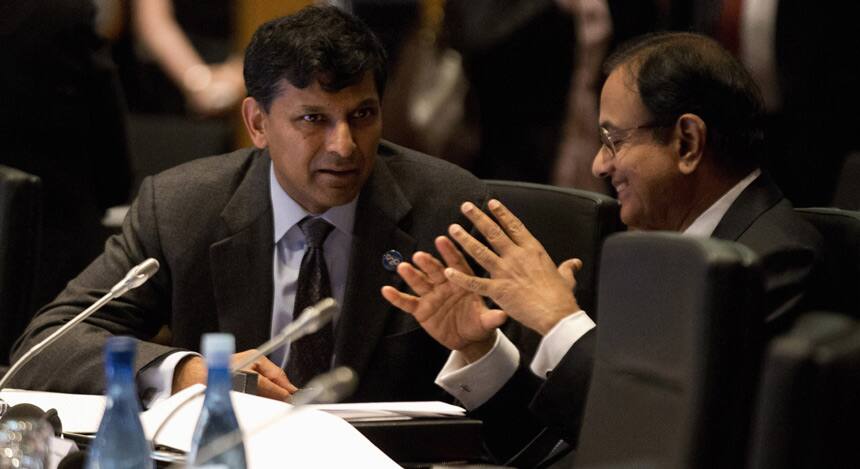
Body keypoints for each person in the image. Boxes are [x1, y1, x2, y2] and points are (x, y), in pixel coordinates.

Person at [9, 5, 488, 406]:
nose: (344, 146)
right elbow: (46, 346)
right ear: (257, 123)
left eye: (362, 115)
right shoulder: (181, 208)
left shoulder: (447, 210)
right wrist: (188, 372)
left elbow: (522, 409)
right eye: (313, 119)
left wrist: (480, 351)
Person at [382, 31, 822, 462]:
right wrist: (480, 350)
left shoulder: (777, 262)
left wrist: (560, 320)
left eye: (614, 140)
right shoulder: (656, 252)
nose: (598, 164)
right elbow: (561, 443)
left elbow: (661, 442)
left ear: (687, 142)